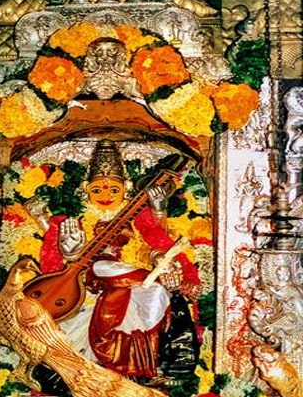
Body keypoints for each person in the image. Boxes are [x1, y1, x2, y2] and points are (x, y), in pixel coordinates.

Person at [37, 140, 200, 379]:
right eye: (97, 190)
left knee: (156, 293)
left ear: (127, 187)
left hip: (128, 280)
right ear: (85, 188)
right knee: (103, 266)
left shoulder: (137, 216)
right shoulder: (74, 219)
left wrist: (157, 251)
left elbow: (150, 244)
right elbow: (52, 269)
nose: (105, 196)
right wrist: (70, 253)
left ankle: (137, 368)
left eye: (114, 189)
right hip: (90, 281)